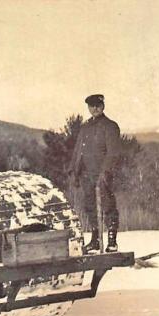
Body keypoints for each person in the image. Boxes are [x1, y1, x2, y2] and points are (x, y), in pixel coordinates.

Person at [68, 94, 122, 252]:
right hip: (86, 175)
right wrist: (75, 172)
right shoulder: (85, 127)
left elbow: (113, 153)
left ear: (103, 106)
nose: (95, 109)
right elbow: (79, 151)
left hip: (102, 175)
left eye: (98, 105)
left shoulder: (110, 126)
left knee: (108, 206)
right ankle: (96, 240)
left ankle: (112, 242)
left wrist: (104, 173)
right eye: (91, 106)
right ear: (88, 108)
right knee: (90, 207)